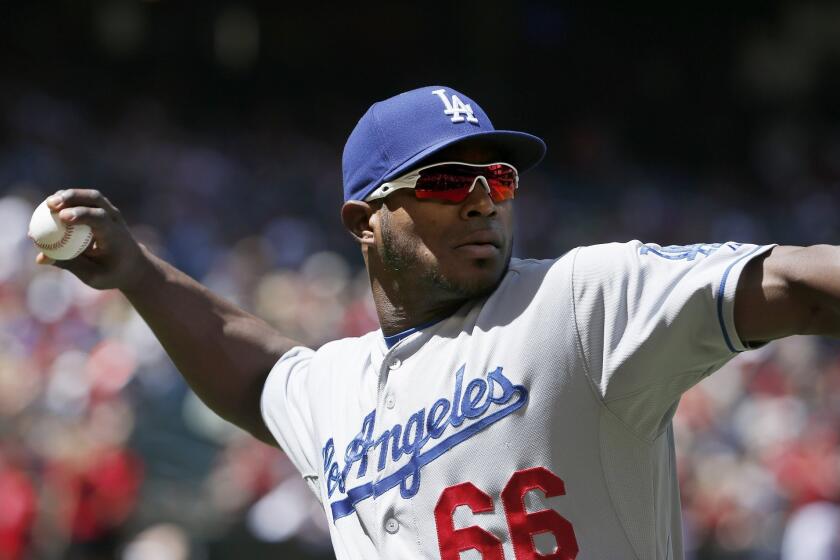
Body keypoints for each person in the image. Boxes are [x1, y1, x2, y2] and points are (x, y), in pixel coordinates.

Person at [36, 85, 840, 559]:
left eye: (497, 176)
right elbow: (255, 374)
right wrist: (140, 273)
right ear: (364, 220)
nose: (485, 197)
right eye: (449, 180)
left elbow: (796, 283)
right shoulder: (338, 387)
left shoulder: (580, 299)